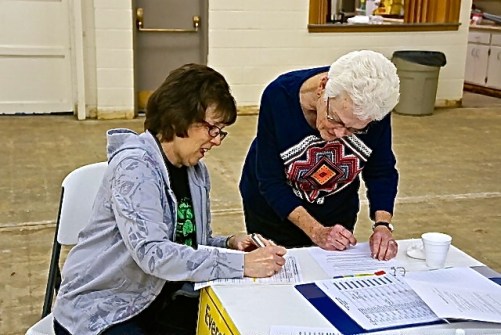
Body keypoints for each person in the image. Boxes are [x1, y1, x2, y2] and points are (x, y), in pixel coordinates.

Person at [52, 63, 287, 335]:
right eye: (213, 128)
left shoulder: (195, 171)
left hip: (158, 299)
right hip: (104, 308)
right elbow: (153, 253)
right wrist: (242, 265)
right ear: (179, 119)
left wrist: (230, 244)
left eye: (221, 131)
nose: (217, 140)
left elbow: (188, 243)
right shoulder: (135, 167)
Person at [239, 50, 400, 261]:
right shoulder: (279, 96)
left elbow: (381, 170)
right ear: (323, 87)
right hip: (274, 211)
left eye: (355, 130)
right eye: (337, 120)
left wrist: (382, 225)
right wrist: (316, 231)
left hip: (335, 208)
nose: (340, 135)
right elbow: (270, 181)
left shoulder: (372, 109)